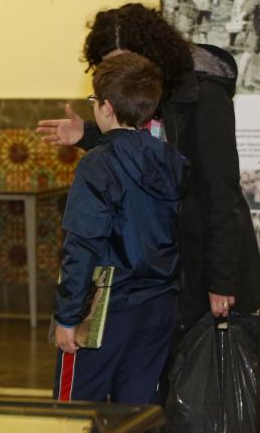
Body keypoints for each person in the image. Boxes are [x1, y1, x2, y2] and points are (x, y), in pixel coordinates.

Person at [38, 3, 260, 337]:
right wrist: (87, 135)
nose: (121, 73)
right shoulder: (145, 98)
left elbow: (223, 195)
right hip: (168, 271)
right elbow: (141, 151)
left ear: (153, 54)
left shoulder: (204, 97)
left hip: (206, 265)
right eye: (109, 66)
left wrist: (222, 280)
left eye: (127, 59)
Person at [53, 53, 188, 403]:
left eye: (94, 101)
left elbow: (82, 243)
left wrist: (68, 317)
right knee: (135, 415)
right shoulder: (172, 159)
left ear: (107, 108)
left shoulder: (98, 165)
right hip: (160, 305)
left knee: (75, 412)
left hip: (107, 308)